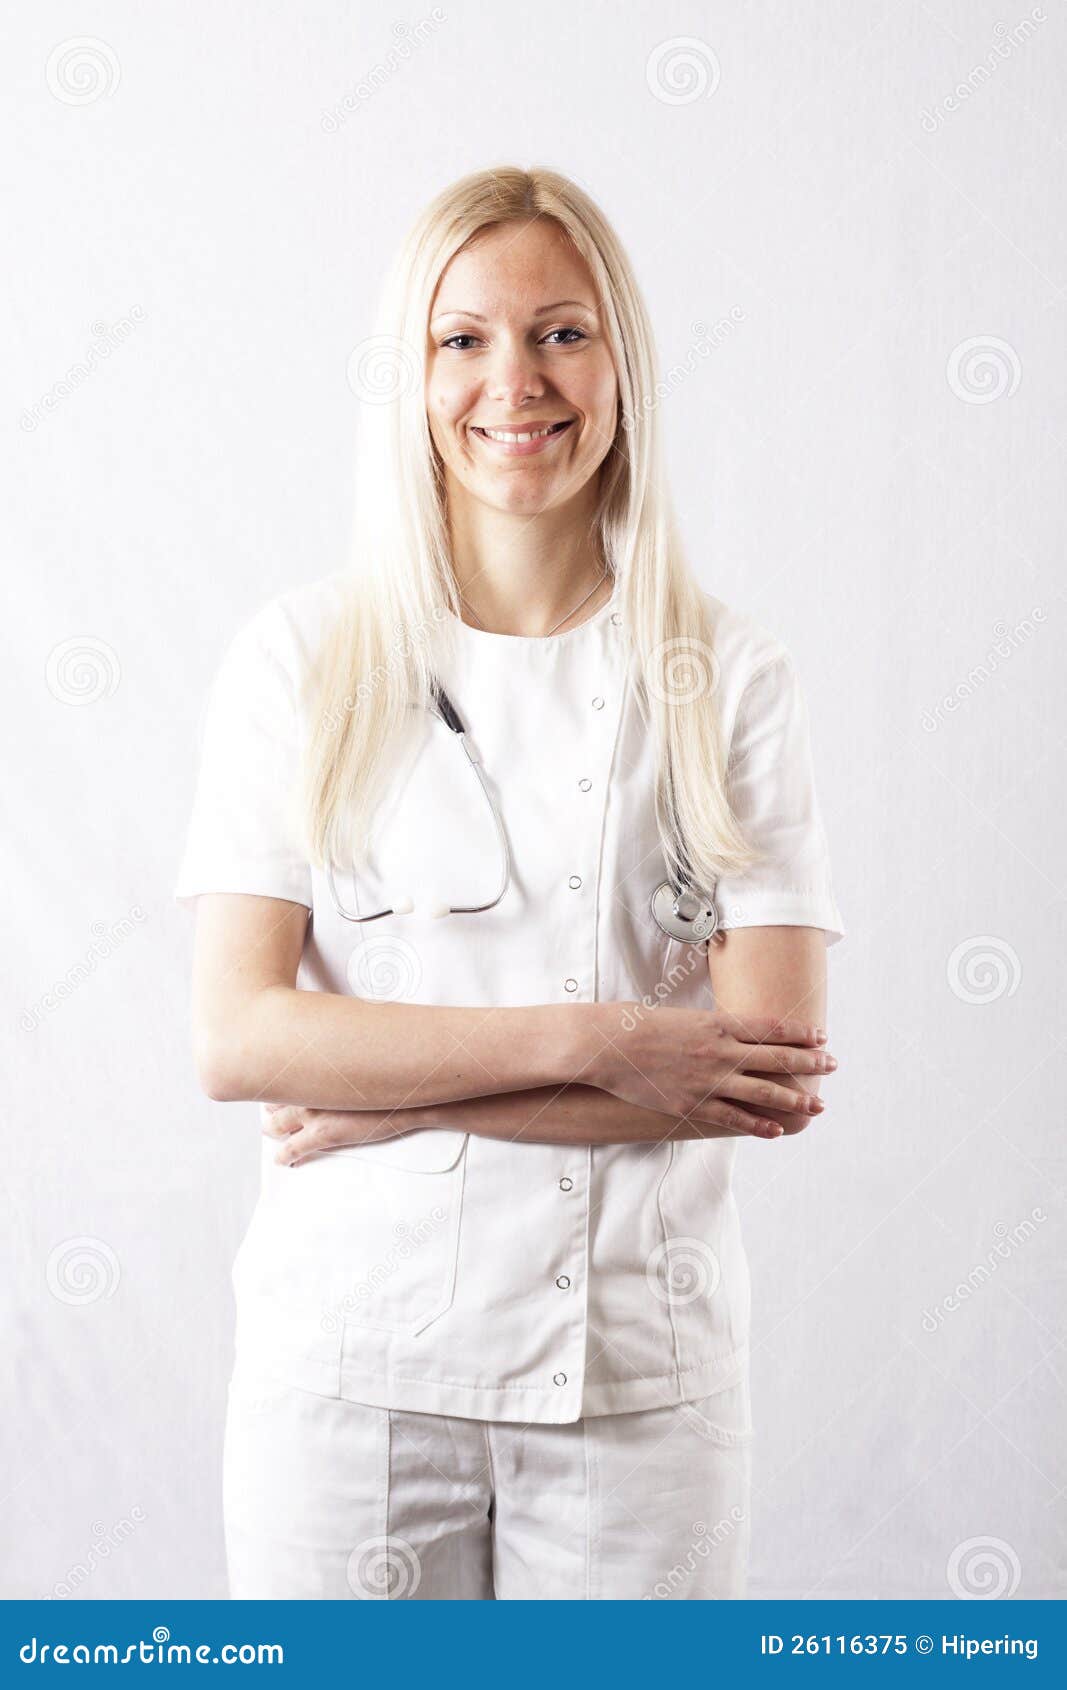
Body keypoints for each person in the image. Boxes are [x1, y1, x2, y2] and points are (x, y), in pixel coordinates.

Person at [174, 165, 845, 1601]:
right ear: (410, 375)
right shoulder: (302, 660)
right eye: (462, 338)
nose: (515, 383)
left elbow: (768, 1068)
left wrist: (376, 1084)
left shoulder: (730, 678)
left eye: (562, 332)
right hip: (349, 1384)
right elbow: (241, 1038)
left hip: (638, 1392)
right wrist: (609, 1042)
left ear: (622, 364)